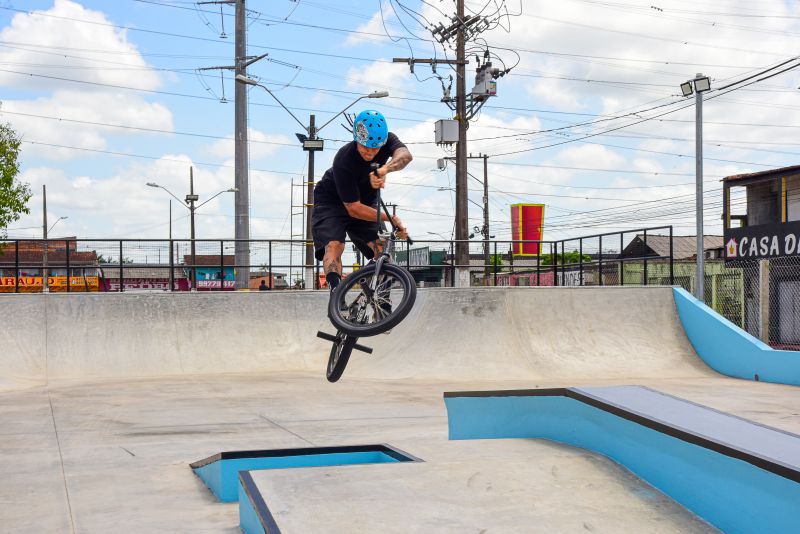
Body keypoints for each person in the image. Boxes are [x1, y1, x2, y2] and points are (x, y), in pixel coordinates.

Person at [312, 109, 412, 298]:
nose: (370, 152)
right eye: (365, 147)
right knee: (335, 246)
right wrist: (390, 218)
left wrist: (384, 170)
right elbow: (353, 209)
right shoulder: (344, 159)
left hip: (365, 203)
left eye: (375, 148)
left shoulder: (387, 140)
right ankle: (336, 294)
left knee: (382, 251)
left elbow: (405, 156)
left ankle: (381, 299)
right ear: (356, 139)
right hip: (331, 202)